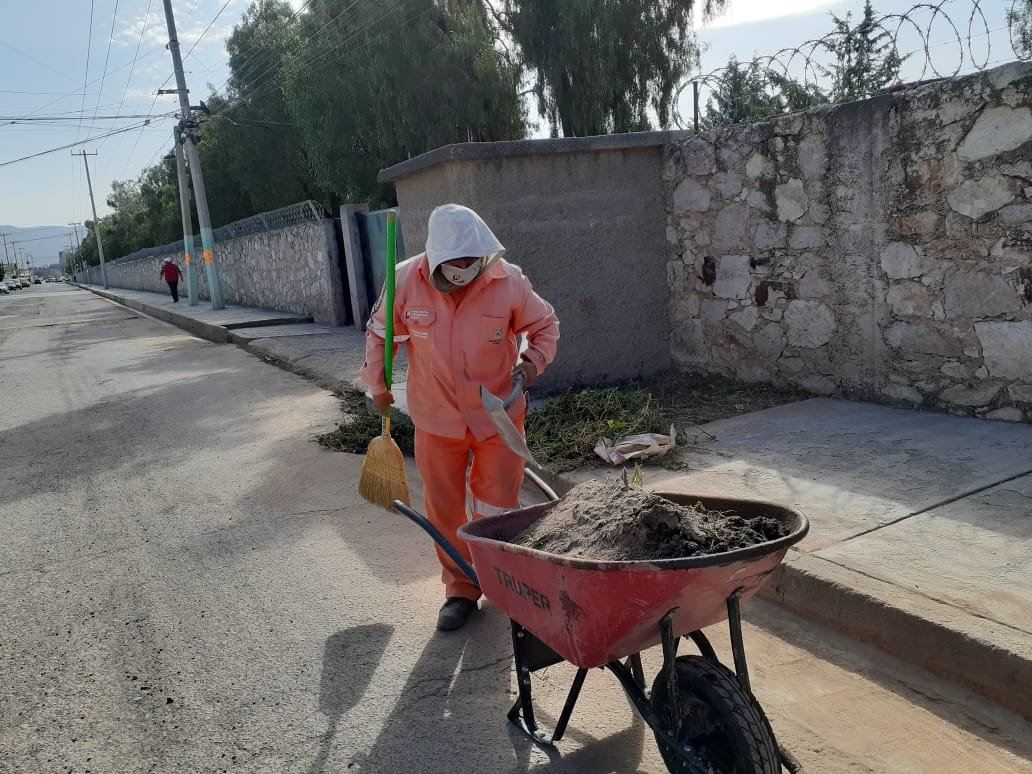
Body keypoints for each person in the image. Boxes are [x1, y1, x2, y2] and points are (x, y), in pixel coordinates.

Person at [360, 204, 560, 631]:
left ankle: (499, 580)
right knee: (445, 508)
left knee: (496, 505)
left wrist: (531, 362)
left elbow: (545, 326)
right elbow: (379, 335)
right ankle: (460, 588)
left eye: (471, 261)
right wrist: (378, 385)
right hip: (436, 419)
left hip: (498, 416)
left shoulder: (508, 281)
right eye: (455, 263)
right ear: (436, 259)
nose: (463, 270)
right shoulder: (404, 281)